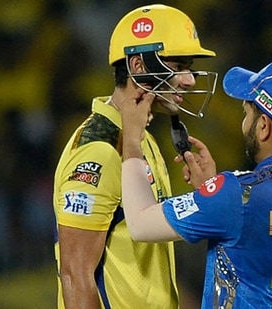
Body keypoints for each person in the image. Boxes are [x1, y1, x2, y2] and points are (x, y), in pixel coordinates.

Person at [120, 60, 272, 308]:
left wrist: (132, 140)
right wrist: (211, 191)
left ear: (264, 126)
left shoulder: (238, 195)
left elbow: (139, 224)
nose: (244, 124)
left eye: (247, 114)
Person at [52, 4, 217, 309]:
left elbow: (142, 244)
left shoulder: (142, 141)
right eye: (178, 66)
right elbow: (75, 275)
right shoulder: (99, 150)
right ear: (139, 66)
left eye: (189, 67)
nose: (190, 79)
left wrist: (204, 197)